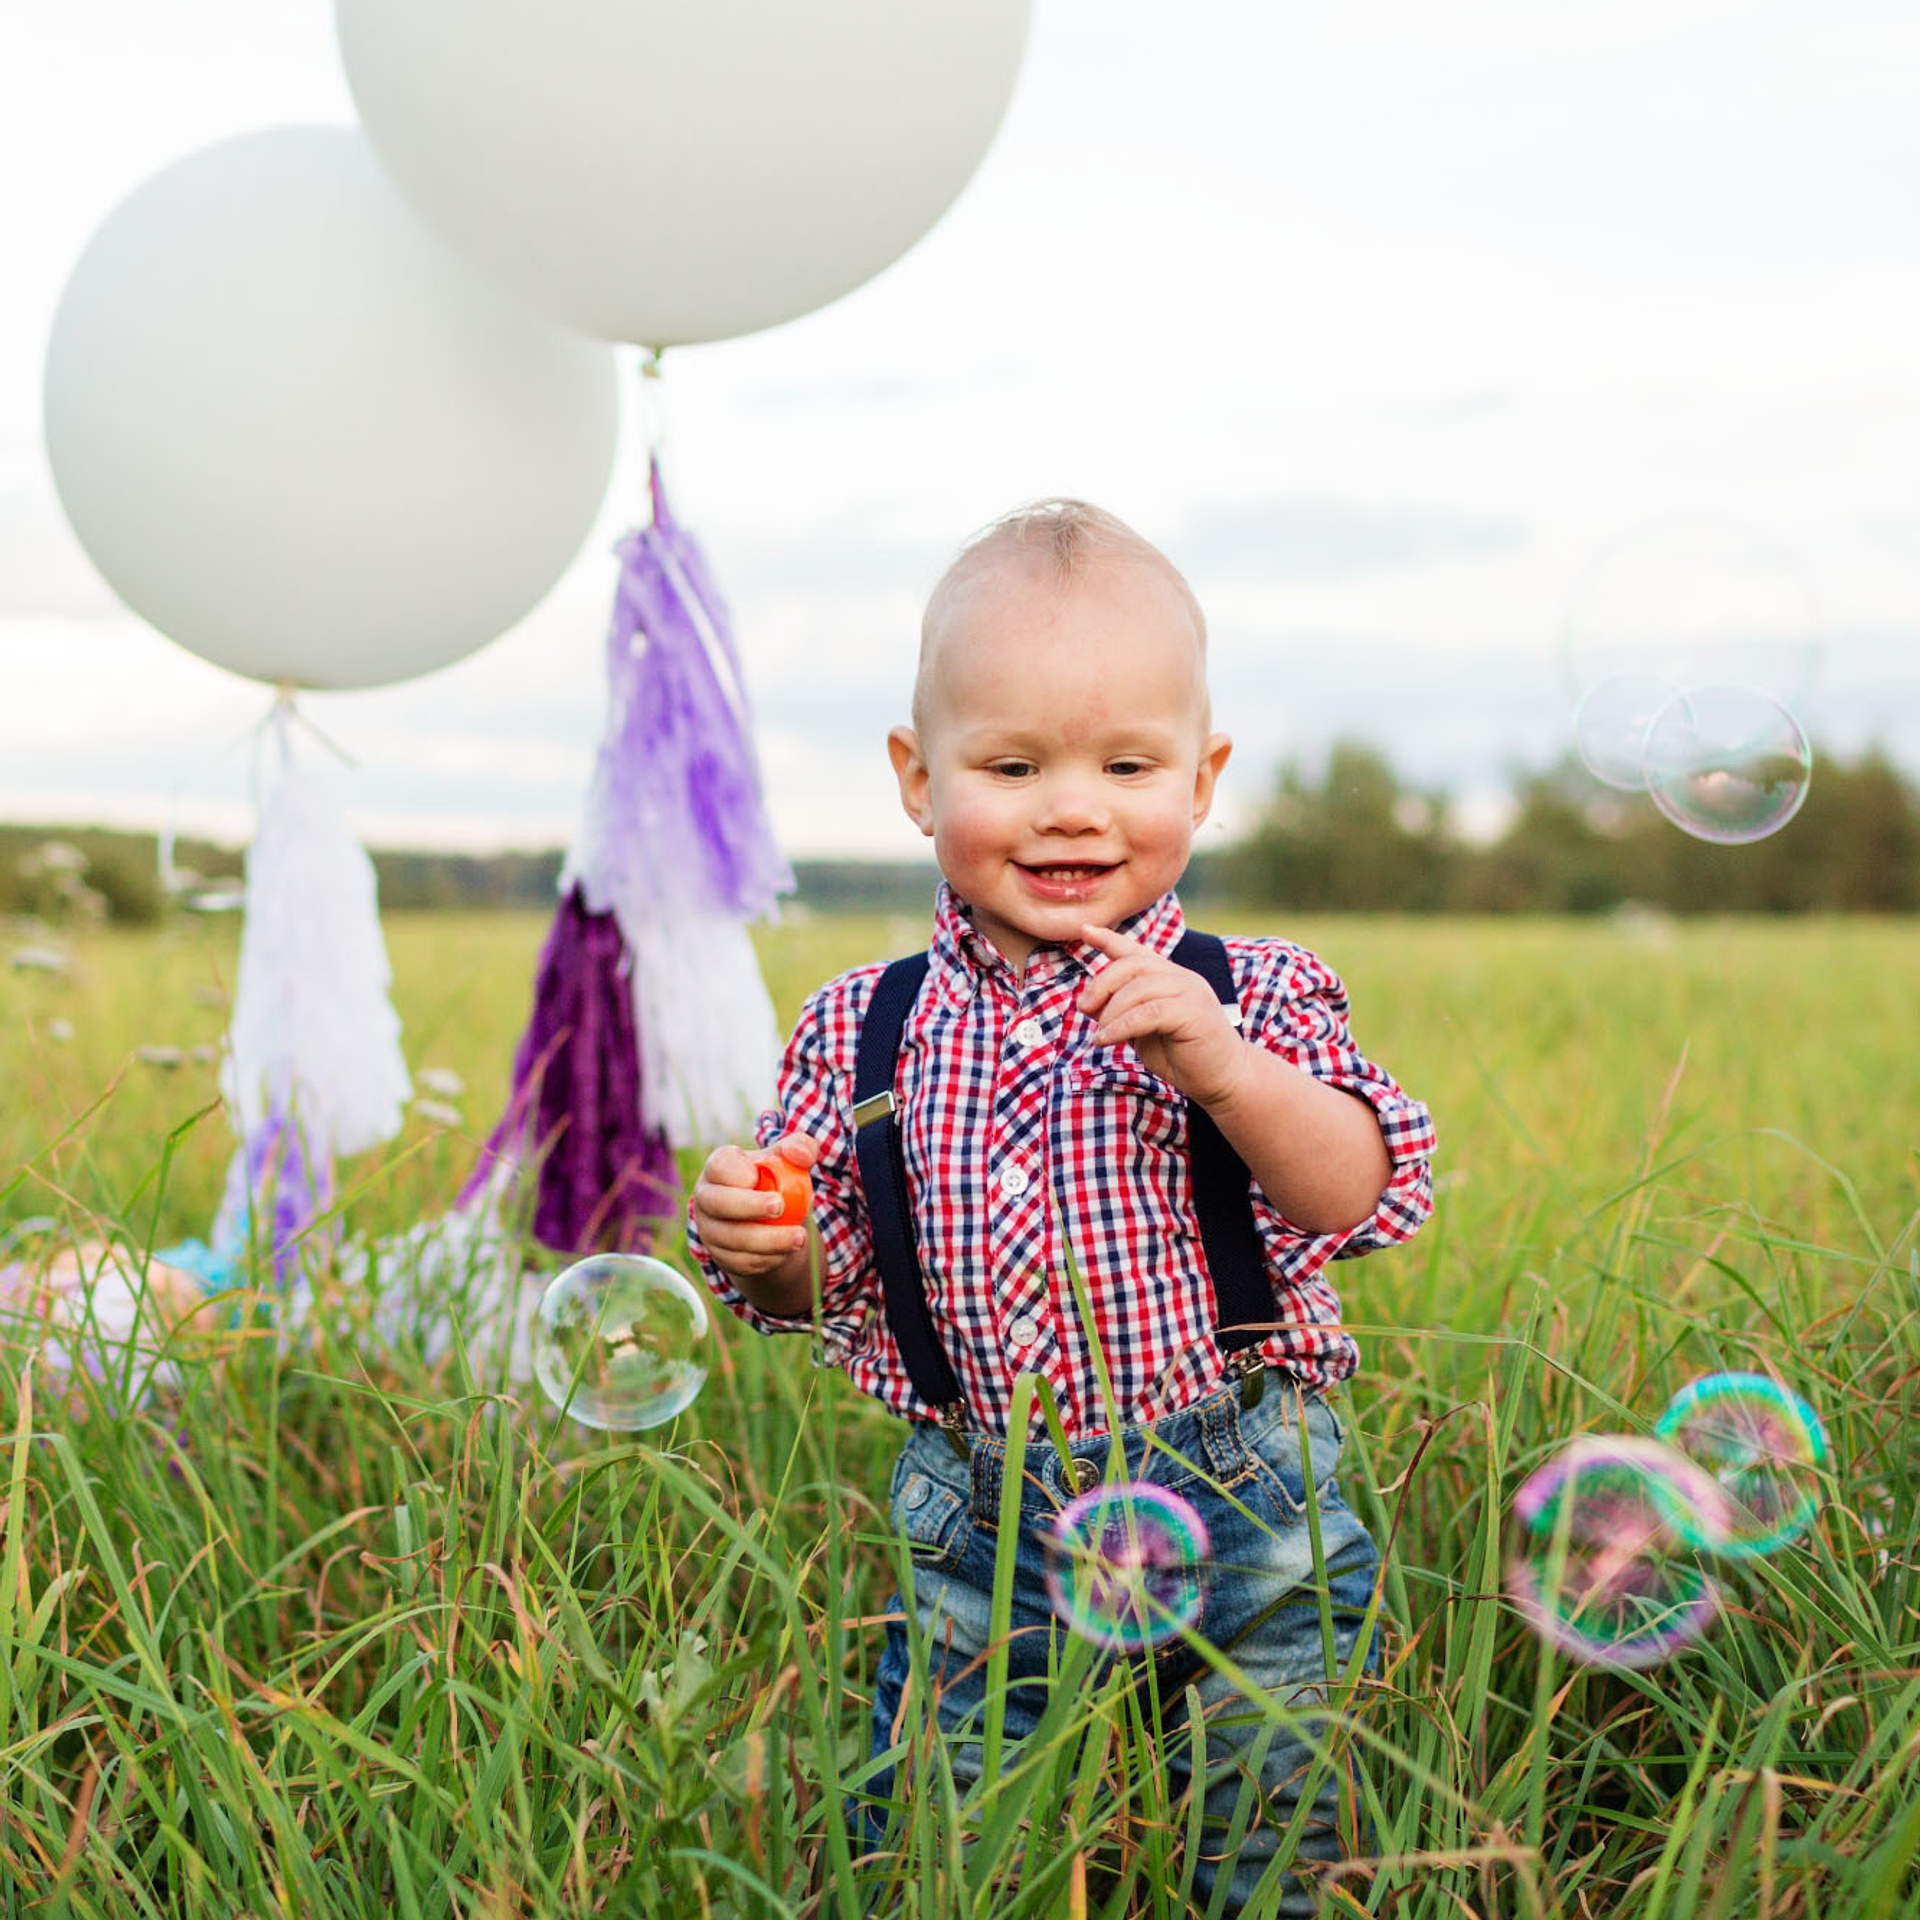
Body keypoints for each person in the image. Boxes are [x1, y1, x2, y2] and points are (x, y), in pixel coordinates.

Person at [688, 499, 1435, 1914]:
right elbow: (826, 1278)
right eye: (1014, 764)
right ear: (919, 781)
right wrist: (766, 1245)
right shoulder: (864, 1025)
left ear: (1203, 780)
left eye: (1128, 764)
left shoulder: (1254, 989)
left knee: (1274, 1832)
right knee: (946, 1841)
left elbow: (1359, 1191)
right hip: (980, 1513)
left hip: (1247, 1493)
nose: (1072, 806)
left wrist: (1226, 1070)